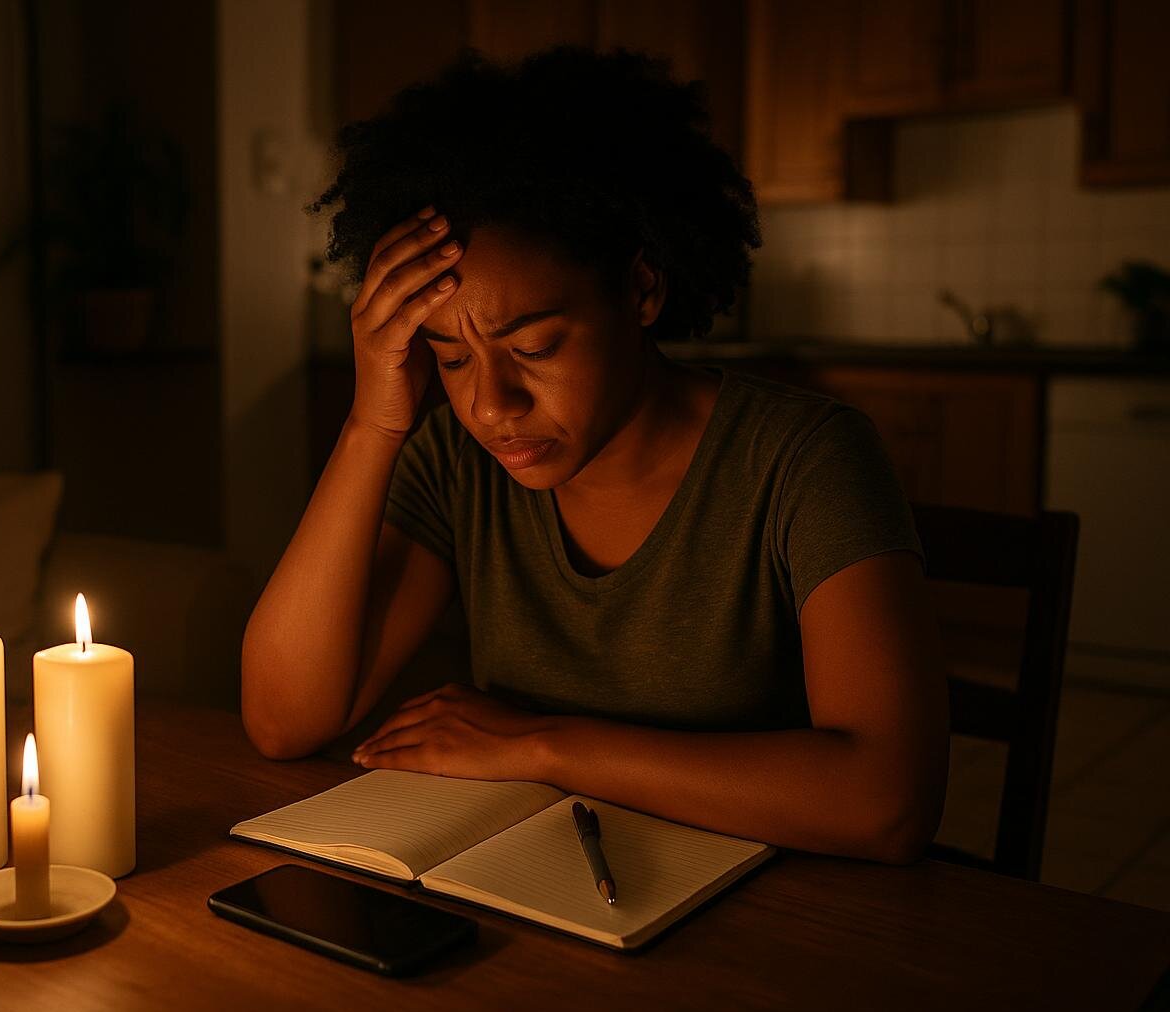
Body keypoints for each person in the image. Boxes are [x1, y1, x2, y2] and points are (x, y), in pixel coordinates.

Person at [240, 48, 947, 864]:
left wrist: (542, 745)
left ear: (641, 290)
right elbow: (282, 721)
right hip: (546, 890)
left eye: (535, 347)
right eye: (453, 358)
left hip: (777, 907)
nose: (492, 405)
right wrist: (372, 423)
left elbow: (887, 800)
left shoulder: (804, 460)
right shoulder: (458, 464)